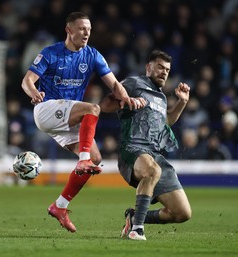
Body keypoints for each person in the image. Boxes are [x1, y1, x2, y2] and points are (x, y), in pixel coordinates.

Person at [21, 12, 142, 233]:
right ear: (69, 30)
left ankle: (60, 206)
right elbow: (27, 80)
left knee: (95, 158)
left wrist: (126, 98)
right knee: (93, 108)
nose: (86, 33)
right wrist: (33, 92)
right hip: (46, 108)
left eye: (89, 29)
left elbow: (114, 84)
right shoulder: (50, 53)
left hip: (68, 116)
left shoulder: (92, 55)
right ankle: (82, 161)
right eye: (81, 28)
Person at [100, 50, 192, 240]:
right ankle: (137, 230)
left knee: (182, 213)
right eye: (160, 67)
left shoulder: (162, 97)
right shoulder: (134, 83)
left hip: (154, 154)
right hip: (132, 149)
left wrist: (182, 103)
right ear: (148, 67)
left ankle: (135, 217)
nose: (164, 72)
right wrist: (127, 101)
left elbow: (165, 122)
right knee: (152, 171)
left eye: (167, 69)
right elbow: (106, 105)